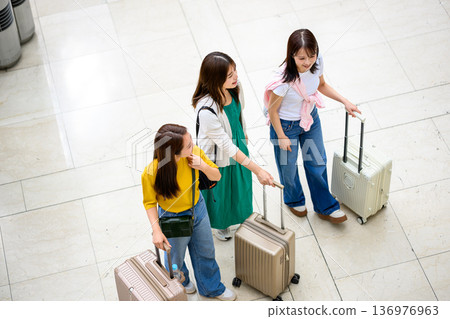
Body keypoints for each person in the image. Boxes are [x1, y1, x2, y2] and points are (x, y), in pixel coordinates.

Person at [265, 29, 361, 224]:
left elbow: (321, 85)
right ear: (291, 55)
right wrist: (281, 136)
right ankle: (294, 199)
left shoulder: (317, 63)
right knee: (288, 167)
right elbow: (272, 111)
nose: (307, 62)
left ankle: (325, 206)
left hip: (309, 117)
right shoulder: (283, 80)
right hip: (285, 125)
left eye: (311, 55)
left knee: (317, 161)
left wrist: (345, 101)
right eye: (301, 58)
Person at [141, 123, 236, 300]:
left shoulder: (195, 154)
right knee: (175, 258)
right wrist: (156, 231)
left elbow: (217, 176)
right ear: (174, 153)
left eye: (191, 140)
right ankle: (181, 283)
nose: (193, 145)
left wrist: (203, 167)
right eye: (188, 145)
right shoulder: (151, 172)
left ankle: (211, 287)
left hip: (197, 209)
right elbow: (149, 202)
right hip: (171, 217)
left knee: (206, 251)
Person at [193, 52, 274, 241]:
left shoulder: (235, 88)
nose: (236, 77)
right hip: (220, 154)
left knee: (240, 186)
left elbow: (239, 113)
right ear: (215, 80)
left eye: (234, 70)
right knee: (221, 190)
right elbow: (226, 146)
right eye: (230, 75)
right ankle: (222, 225)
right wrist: (258, 170)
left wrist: (243, 133)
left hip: (237, 144)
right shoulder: (206, 110)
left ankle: (240, 219)